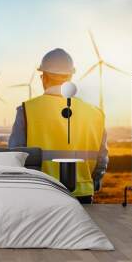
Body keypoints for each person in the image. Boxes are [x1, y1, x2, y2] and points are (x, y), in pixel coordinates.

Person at [8, 48, 108, 204]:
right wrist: (91, 183)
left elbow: (15, 156)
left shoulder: (26, 111)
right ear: (70, 77)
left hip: (40, 194)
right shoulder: (95, 113)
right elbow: (101, 159)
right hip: (82, 195)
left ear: (44, 77)